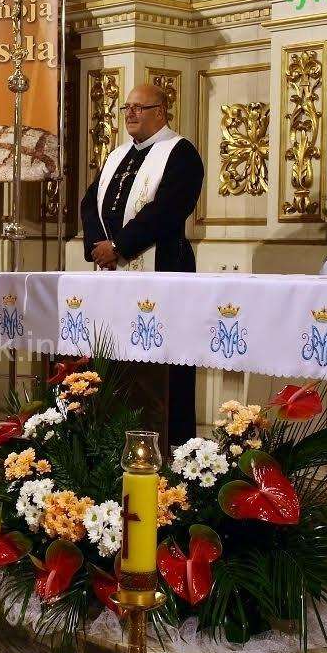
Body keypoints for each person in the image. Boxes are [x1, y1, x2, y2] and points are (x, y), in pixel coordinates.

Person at [79, 83, 204, 447]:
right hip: (113, 275)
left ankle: (171, 445)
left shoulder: (180, 153)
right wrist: (98, 248)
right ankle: (113, 443)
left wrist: (119, 246)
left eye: (139, 107)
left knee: (164, 364)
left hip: (165, 271)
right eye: (127, 107)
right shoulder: (117, 155)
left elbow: (167, 210)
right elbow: (90, 203)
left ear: (161, 112)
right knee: (116, 360)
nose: (130, 113)